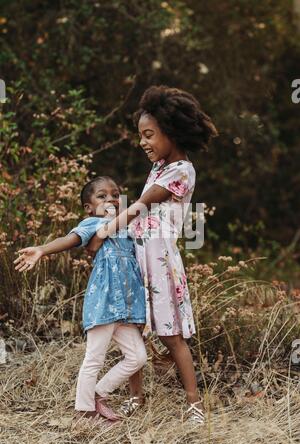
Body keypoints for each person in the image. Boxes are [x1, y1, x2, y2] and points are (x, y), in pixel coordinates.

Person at [87, 86, 218, 424]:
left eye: (149, 135)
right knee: (134, 330)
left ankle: (193, 404)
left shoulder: (181, 171)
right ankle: (136, 397)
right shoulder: (158, 167)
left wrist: (104, 231)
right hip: (137, 263)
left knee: (172, 336)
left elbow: (143, 205)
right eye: (140, 135)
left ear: (171, 133)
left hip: (160, 265)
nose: (142, 142)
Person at [14, 176, 147, 424]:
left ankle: (97, 393)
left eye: (115, 195)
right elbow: (70, 240)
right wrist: (43, 249)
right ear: (89, 207)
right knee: (94, 358)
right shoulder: (92, 223)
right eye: (102, 196)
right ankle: (84, 412)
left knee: (138, 357)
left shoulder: (127, 230)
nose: (111, 199)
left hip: (128, 308)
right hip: (103, 304)